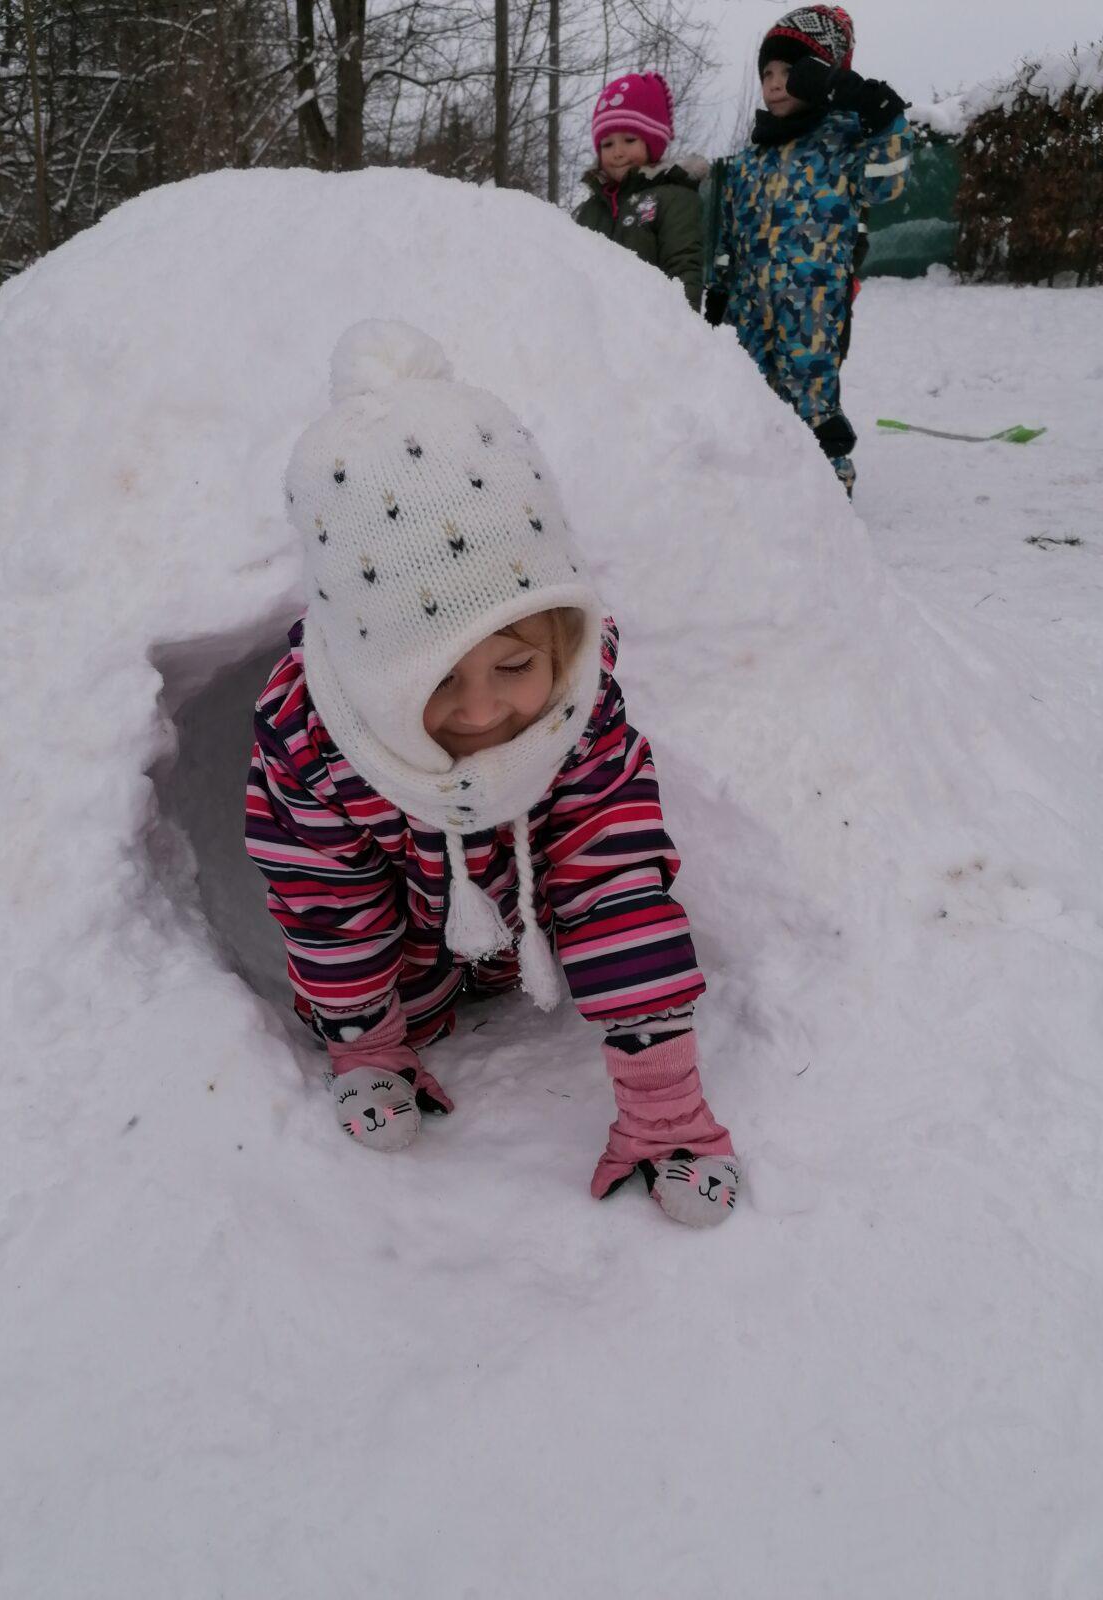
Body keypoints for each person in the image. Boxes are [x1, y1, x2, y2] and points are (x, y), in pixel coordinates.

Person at [245, 319, 738, 1229]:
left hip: (522, 933)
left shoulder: (581, 718)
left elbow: (615, 885)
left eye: (515, 665)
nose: (481, 713)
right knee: (395, 985)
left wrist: (664, 1105)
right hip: (406, 946)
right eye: (433, 681)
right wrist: (368, 1047)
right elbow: (326, 903)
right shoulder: (312, 743)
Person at [705, 6, 911, 493]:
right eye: (767, 74)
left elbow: (885, 184)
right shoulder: (749, 159)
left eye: (789, 73)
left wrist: (882, 114)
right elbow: (728, 234)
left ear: (819, 77)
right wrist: (719, 290)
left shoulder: (844, 141)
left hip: (813, 306)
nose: (775, 85)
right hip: (749, 306)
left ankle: (826, 492)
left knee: (810, 397)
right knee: (748, 394)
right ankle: (757, 485)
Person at [573, 72, 707, 312]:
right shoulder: (591, 210)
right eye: (607, 144)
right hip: (594, 326)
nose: (618, 152)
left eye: (629, 140)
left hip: (650, 324)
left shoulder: (673, 198)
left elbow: (684, 267)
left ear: (652, 142)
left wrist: (682, 325)